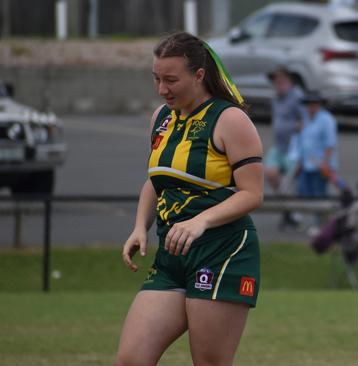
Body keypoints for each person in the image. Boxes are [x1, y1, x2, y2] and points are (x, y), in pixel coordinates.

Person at [115, 32, 264, 366]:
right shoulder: (162, 118)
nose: (162, 89)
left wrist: (200, 221)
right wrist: (140, 226)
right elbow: (157, 181)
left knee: (209, 362)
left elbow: (253, 194)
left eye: (171, 80)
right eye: (156, 79)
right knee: (130, 360)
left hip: (223, 252)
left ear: (198, 75)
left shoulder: (230, 120)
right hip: (172, 255)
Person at [264, 66, 304, 229]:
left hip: (294, 148)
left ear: (290, 81)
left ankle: (290, 213)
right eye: (276, 80)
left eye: (282, 79)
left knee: (287, 183)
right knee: (271, 173)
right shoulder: (276, 98)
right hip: (279, 147)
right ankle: (289, 210)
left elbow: (305, 120)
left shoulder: (297, 97)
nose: (279, 83)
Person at [296, 90, 338, 198]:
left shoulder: (327, 120)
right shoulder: (305, 118)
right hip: (306, 164)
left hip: (320, 166)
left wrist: (325, 163)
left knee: (319, 196)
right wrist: (300, 162)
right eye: (309, 103)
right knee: (303, 193)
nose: (311, 106)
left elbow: (330, 143)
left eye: (313, 103)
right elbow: (303, 142)